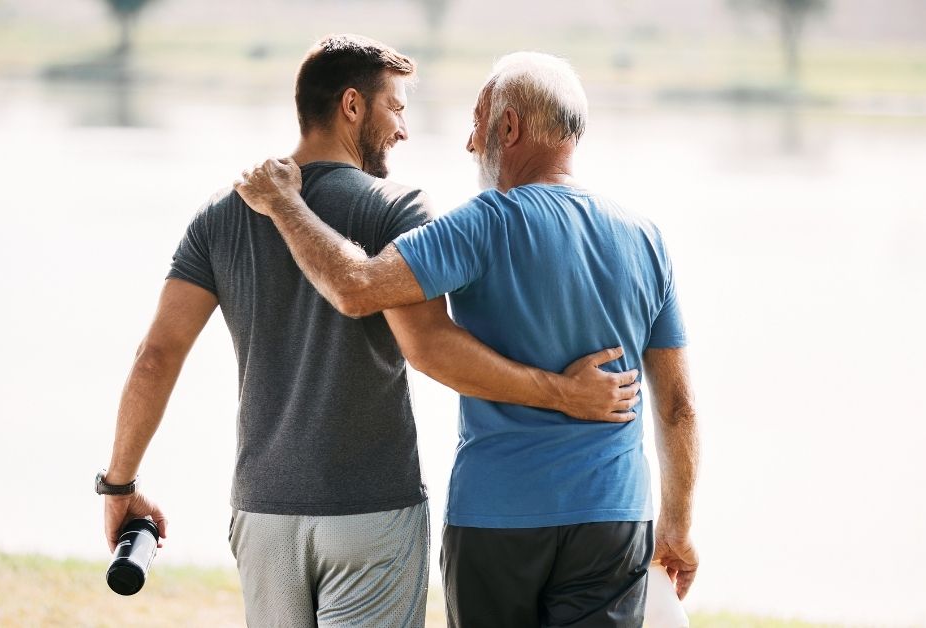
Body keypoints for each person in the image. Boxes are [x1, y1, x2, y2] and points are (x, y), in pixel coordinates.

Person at [97, 36, 640, 628]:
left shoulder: (224, 212)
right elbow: (429, 346)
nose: (404, 129)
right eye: (397, 107)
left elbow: (156, 356)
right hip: (373, 510)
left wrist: (119, 485)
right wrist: (561, 393)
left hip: (264, 512)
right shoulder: (397, 208)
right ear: (352, 106)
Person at [235, 51, 701, 627]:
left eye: (478, 122)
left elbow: (355, 289)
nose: (470, 142)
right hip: (614, 516)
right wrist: (677, 525)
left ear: (509, 127)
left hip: (498, 516)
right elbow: (677, 406)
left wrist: (284, 202)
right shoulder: (646, 238)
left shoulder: (484, 222)